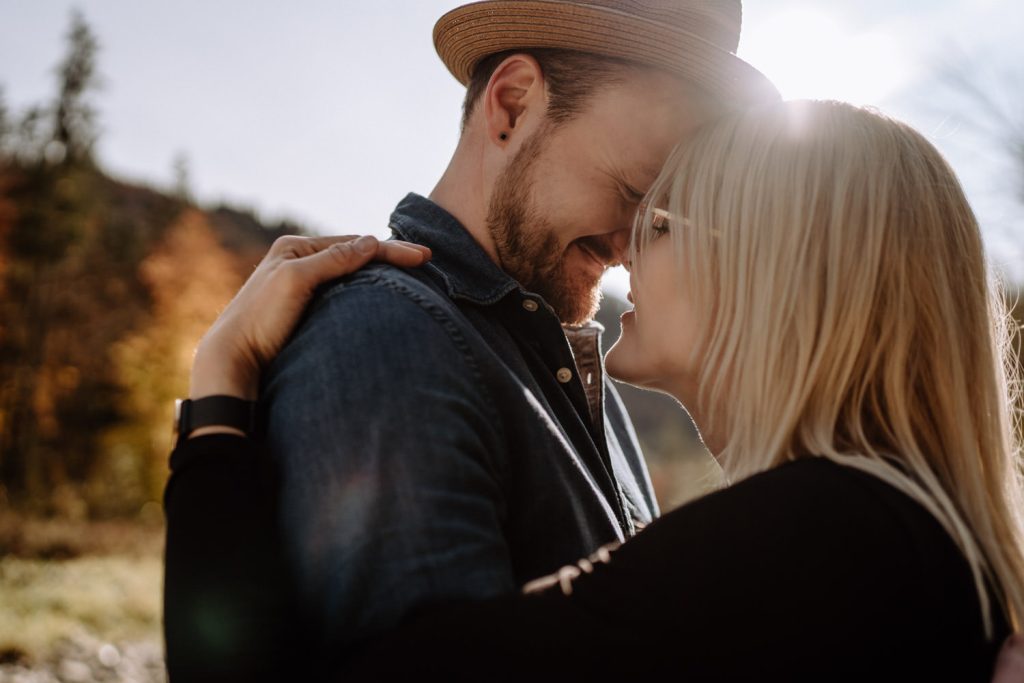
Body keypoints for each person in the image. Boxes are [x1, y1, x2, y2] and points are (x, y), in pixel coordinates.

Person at [165, 99, 1024, 681]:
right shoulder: (907, 538)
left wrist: (219, 394)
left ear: (776, 270)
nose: (625, 250)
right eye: (633, 203)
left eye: (658, 218)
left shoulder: (821, 539)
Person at [250, 0, 780, 667]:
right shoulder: (388, 336)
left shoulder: (577, 368)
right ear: (512, 105)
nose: (631, 247)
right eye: (632, 188)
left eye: (663, 214)